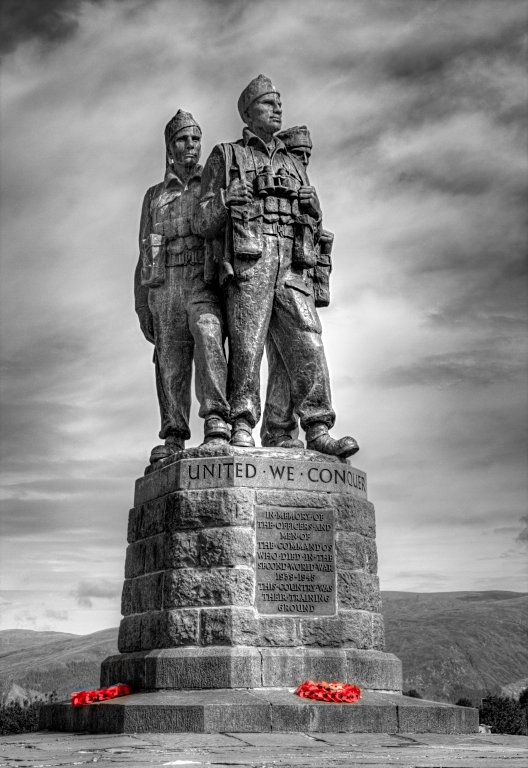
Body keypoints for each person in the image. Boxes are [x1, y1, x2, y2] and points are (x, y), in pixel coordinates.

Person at [195, 76, 358, 457]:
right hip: (251, 258)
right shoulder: (227, 154)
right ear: (249, 112)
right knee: (247, 343)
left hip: (291, 260)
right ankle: (240, 422)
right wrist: (224, 199)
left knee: (307, 337)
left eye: (279, 102)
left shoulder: (292, 161)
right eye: (269, 103)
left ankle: (317, 427)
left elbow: (315, 223)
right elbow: (202, 221)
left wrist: (315, 209)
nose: (278, 108)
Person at [135, 110, 229, 464]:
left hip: (200, 280)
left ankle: (217, 421)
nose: (191, 145)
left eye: (195, 139)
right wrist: (142, 304)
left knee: (208, 334)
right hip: (164, 284)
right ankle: (173, 434)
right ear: (169, 147)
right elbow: (143, 249)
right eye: (182, 139)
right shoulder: (153, 196)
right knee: (170, 362)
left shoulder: (212, 183)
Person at [260, 125, 334, 449]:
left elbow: (316, 240)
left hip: (295, 276)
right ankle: (291, 430)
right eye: (298, 155)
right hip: (265, 272)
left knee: (299, 350)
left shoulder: (308, 190)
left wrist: (315, 211)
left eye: (308, 156)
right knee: (292, 353)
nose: (303, 162)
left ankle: (296, 429)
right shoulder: (269, 176)